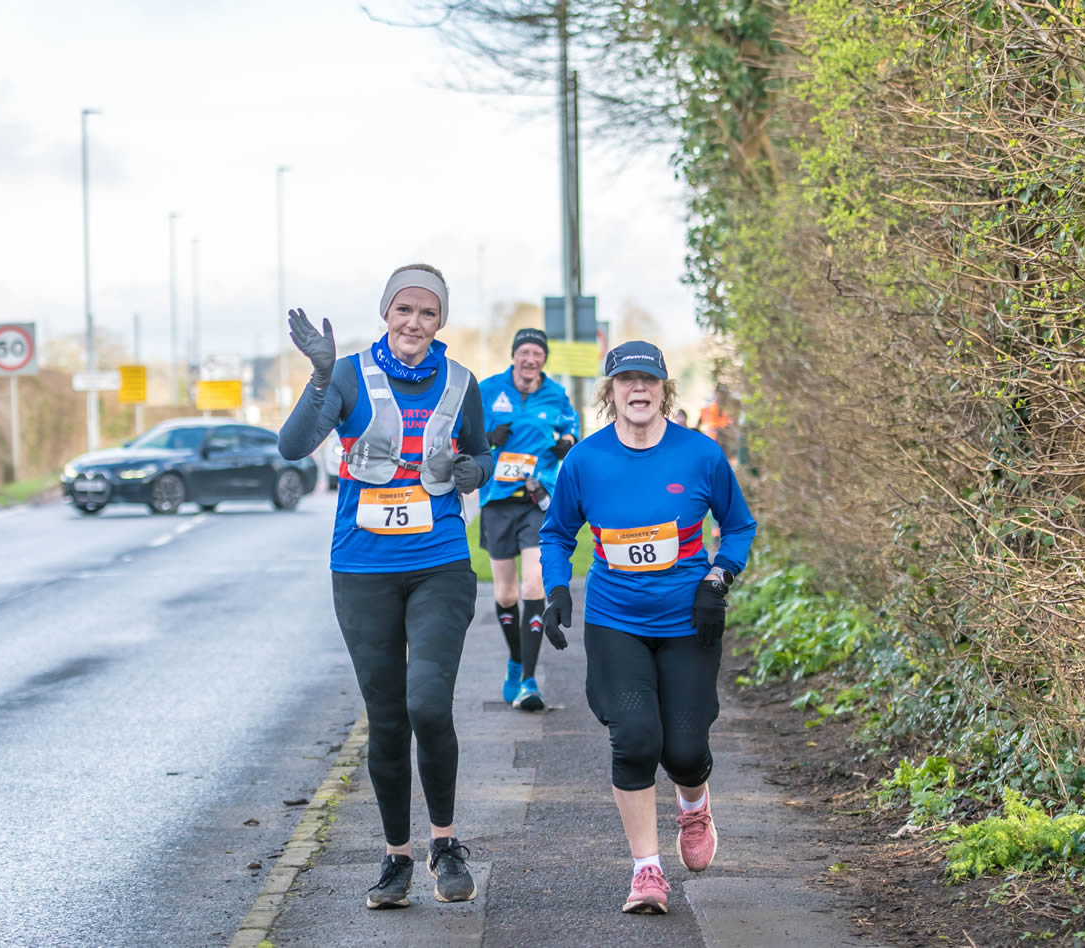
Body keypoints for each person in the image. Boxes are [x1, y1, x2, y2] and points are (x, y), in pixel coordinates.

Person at [277, 263, 492, 910]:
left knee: (428, 703)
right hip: (363, 570)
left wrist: (468, 470)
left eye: (428, 313)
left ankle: (446, 843)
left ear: (441, 322)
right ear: (386, 313)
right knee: (389, 718)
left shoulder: (461, 381)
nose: (414, 323)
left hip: (441, 564)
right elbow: (293, 446)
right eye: (404, 310)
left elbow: (481, 458)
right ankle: (397, 855)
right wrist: (318, 376)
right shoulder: (346, 375)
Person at [538, 341, 757, 916]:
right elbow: (557, 533)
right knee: (635, 740)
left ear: (665, 389)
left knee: (684, 750)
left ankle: (694, 804)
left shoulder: (701, 455)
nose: (638, 390)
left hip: (688, 620)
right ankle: (647, 871)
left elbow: (738, 527)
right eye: (625, 381)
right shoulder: (585, 461)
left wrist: (718, 580)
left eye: (649, 380)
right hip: (615, 620)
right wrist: (558, 588)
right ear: (609, 392)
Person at [477, 327, 580, 710]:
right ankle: (516, 662)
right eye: (525, 352)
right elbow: (463, 435)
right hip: (498, 501)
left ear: (543, 360)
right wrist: (489, 436)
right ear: (514, 355)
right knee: (505, 593)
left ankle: (529, 681)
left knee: (533, 585)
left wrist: (566, 443)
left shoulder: (556, 394)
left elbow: (572, 429)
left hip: (538, 500)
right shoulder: (489, 390)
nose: (531, 359)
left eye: (537, 353)